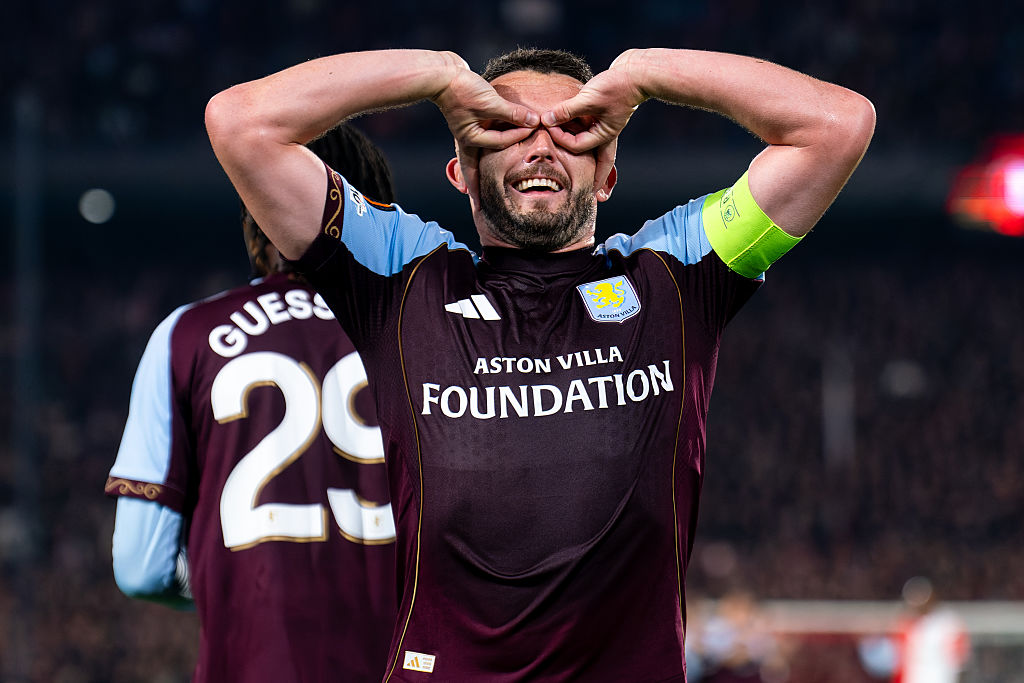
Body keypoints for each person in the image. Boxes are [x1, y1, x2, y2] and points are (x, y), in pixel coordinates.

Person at [205, 46, 875, 681]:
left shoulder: (675, 274)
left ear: (607, 172)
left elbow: (839, 125)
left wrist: (646, 74)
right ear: (462, 170)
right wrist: (435, 74)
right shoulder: (400, 275)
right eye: (502, 128)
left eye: (574, 128)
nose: (541, 145)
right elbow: (240, 123)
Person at [105, 124, 399, 682]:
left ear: (258, 216)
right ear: (379, 215)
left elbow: (140, 568)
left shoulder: (186, 335)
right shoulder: (435, 328)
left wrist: (249, 572)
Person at [858, 576, 970, 683]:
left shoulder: (947, 622)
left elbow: (959, 660)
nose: (917, 601)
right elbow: (886, 660)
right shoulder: (907, 625)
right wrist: (871, 644)